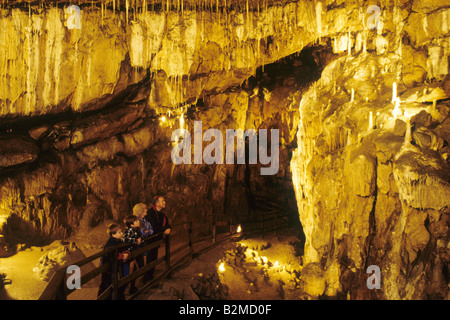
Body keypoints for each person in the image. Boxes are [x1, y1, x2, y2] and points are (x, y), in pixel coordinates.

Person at [143, 195, 172, 282]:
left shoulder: (161, 213)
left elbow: (167, 224)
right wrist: (165, 229)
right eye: (162, 201)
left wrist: (169, 228)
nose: (164, 202)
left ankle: (149, 276)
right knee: (150, 258)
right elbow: (154, 228)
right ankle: (146, 278)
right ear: (157, 203)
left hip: (156, 240)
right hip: (150, 239)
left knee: (153, 257)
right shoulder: (151, 213)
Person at [97, 223, 129, 300]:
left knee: (109, 284)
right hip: (108, 268)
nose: (122, 233)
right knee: (106, 285)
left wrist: (126, 253)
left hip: (112, 268)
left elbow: (124, 248)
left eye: (121, 232)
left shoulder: (117, 241)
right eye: (119, 232)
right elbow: (110, 254)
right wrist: (121, 256)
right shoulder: (111, 242)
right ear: (113, 234)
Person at [123, 215, 143, 294]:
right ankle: (126, 289)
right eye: (136, 221)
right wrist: (136, 241)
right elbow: (126, 239)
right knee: (130, 271)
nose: (138, 222)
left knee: (135, 269)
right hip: (129, 253)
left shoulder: (137, 229)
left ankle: (132, 287)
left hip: (134, 252)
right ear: (131, 224)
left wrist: (140, 239)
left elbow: (140, 239)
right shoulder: (129, 230)